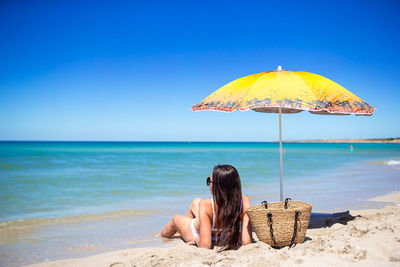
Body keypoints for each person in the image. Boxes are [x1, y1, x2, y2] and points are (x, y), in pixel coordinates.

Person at [160, 164, 252, 251]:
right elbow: (246, 241)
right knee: (195, 202)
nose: (209, 185)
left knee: (175, 219)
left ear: (218, 186)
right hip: (224, 233)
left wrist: (196, 240)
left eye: (209, 181)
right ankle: (180, 233)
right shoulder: (244, 202)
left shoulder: (206, 205)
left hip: (199, 232)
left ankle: (160, 236)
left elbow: (205, 245)